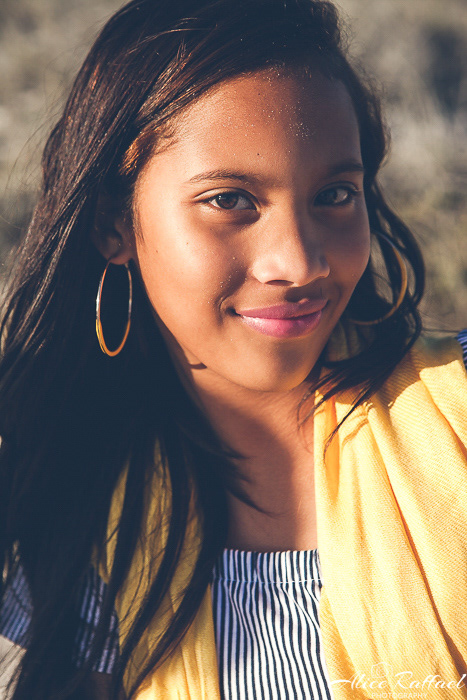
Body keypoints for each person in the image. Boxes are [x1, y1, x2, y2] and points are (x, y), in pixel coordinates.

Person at [0, 0, 466, 698]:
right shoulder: (76, 502)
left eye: (335, 194)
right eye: (229, 201)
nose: (299, 262)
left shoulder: (455, 415)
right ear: (113, 225)